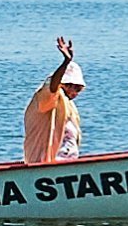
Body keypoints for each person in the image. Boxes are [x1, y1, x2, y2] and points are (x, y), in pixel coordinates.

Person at [23, 36, 84, 165]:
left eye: (79, 89)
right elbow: (52, 88)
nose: (76, 93)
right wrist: (65, 62)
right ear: (64, 85)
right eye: (75, 88)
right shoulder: (48, 99)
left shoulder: (69, 106)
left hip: (68, 165)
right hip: (45, 164)